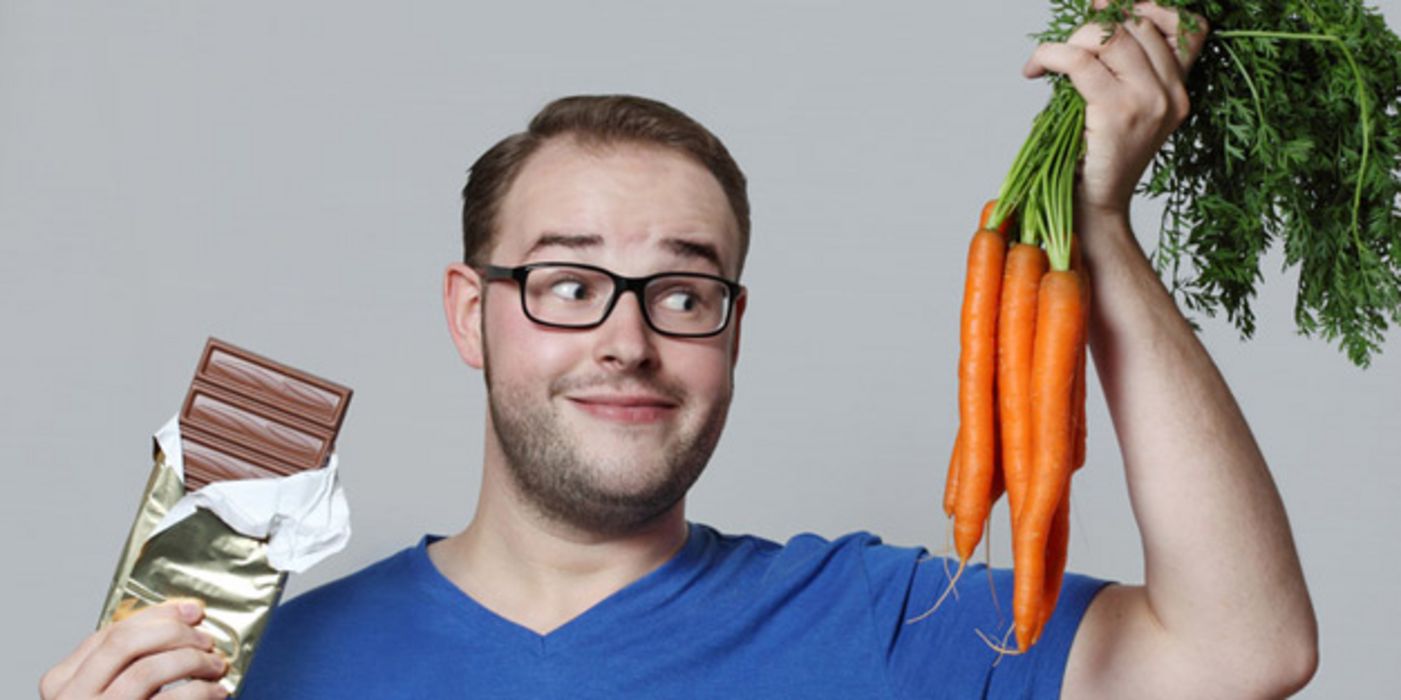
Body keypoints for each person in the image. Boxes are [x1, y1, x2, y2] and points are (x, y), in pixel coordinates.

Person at [41, 6, 1318, 698]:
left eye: (684, 293)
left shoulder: (888, 626)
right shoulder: (255, 670)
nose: (627, 338)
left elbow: (1241, 651)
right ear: (469, 312)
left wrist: (1096, 226)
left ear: (733, 331)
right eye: (568, 281)